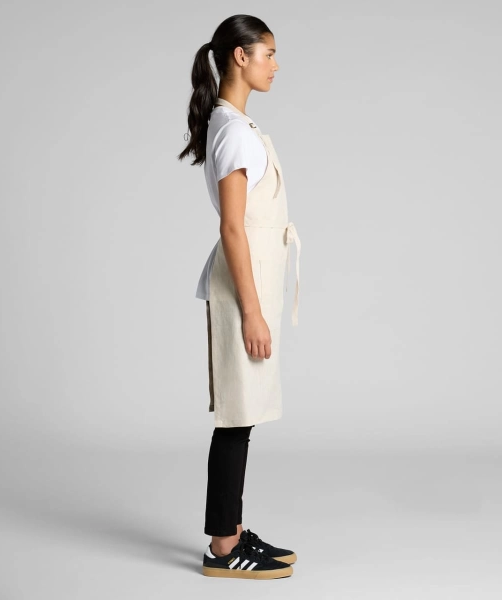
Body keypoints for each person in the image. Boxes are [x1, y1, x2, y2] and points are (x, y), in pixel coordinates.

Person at [177, 14, 302, 580]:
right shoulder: (231, 130)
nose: (275, 65)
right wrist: (252, 313)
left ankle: (230, 530)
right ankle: (223, 547)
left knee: (243, 414)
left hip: (251, 286)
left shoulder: (237, 125)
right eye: (268, 53)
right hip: (240, 291)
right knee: (235, 415)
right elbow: (232, 227)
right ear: (240, 56)